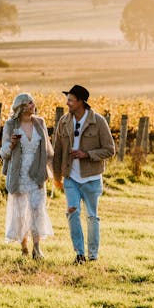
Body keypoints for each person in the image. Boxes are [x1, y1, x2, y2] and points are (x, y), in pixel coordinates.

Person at [52, 85, 115, 264]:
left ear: (81, 102)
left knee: (92, 216)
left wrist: (87, 154)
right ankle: (79, 254)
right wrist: (57, 177)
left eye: (71, 99)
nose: (67, 103)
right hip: (70, 177)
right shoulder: (63, 121)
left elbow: (110, 150)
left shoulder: (99, 121)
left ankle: (93, 255)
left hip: (92, 179)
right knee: (72, 212)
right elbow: (57, 151)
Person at [0, 92, 54, 259]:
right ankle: (24, 247)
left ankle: (37, 248)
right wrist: (13, 144)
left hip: (37, 172)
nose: (33, 105)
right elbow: (3, 152)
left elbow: (48, 149)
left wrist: (54, 171)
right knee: (21, 212)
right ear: (22, 106)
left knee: (37, 210)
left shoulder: (40, 123)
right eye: (29, 103)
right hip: (19, 173)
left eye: (33, 103)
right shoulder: (10, 124)